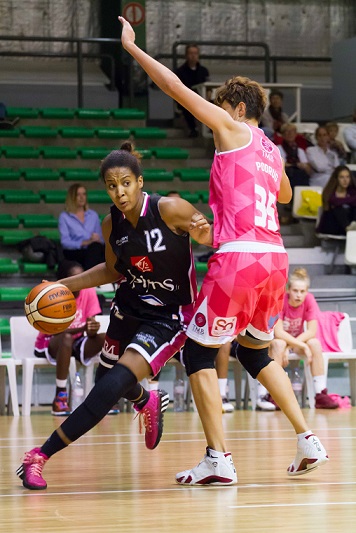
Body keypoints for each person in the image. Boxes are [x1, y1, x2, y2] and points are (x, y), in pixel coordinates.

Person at [118, 16, 329, 486]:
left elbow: (174, 87)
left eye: (220, 108)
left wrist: (134, 50)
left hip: (239, 258)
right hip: (275, 259)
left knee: (196, 353)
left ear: (235, 108)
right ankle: (307, 438)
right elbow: (286, 196)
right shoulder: (272, 149)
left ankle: (218, 458)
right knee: (254, 353)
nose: (214, 115)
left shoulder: (232, 129)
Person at [16, 141, 212, 490]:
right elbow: (110, 271)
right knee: (109, 377)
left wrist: (207, 233)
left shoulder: (171, 208)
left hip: (168, 316)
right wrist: (62, 284)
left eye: (125, 182)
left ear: (139, 181)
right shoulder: (111, 224)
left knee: (108, 387)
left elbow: (215, 238)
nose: (119, 192)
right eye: (111, 185)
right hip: (128, 304)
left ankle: (38, 456)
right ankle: (145, 399)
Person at [34, 260, 105, 415]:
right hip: (51, 341)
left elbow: (90, 329)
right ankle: (60, 396)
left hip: (77, 341)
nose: (79, 282)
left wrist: (93, 329)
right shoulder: (53, 295)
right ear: (65, 280)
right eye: (74, 278)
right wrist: (83, 328)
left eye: (81, 277)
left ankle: (104, 392)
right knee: (66, 338)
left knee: (107, 338)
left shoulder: (89, 291)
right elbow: (56, 331)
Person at [269, 267, 338, 409]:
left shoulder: (309, 300)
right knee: (278, 344)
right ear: (288, 290)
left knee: (314, 343)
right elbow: (278, 332)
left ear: (307, 292)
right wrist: (294, 345)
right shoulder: (281, 299)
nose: (299, 295)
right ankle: (273, 394)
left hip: (296, 341)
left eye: (302, 291)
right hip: (280, 340)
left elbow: (312, 331)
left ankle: (320, 393)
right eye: (295, 291)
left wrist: (294, 346)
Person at [59, 183, 105, 271]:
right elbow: (65, 242)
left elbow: (101, 239)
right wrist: (85, 242)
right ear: (72, 197)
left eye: (84, 194)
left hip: (92, 250)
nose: (82, 197)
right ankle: (91, 279)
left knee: (99, 248)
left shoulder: (93, 215)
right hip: (74, 252)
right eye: (78, 194)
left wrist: (97, 239)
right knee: (95, 251)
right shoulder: (64, 216)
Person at [174, 43, 210, 138]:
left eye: (195, 53)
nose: (193, 55)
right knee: (187, 106)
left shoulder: (203, 71)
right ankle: (193, 129)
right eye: (191, 53)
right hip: (187, 99)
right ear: (186, 55)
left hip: (202, 98)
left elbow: (208, 86)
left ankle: (212, 128)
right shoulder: (180, 71)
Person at [316, 165, 356, 235]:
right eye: (342, 177)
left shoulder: (352, 191)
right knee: (337, 207)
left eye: (347, 177)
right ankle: (348, 228)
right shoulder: (329, 191)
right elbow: (334, 201)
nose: (345, 180)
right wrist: (350, 200)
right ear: (336, 179)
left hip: (348, 223)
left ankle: (352, 226)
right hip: (331, 225)